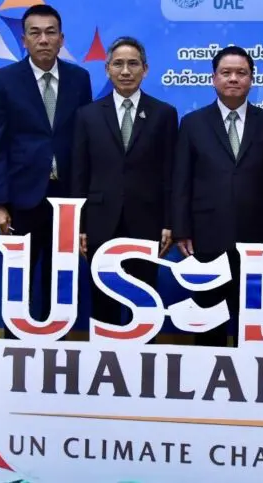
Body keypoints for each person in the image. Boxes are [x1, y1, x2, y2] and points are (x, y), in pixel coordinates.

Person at [172, 45, 263, 347]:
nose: (234, 78)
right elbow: (182, 181)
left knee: (251, 321)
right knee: (208, 319)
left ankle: (249, 372)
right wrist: (182, 229)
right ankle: (207, 372)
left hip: (256, 238)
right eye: (226, 73)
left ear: (252, 78)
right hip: (206, 236)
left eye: (241, 73)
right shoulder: (193, 123)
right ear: (214, 78)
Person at [0, 4, 92, 323]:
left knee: (60, 282)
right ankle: (16, 349)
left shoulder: (79, 79)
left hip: (67, 200)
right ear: (24, 40)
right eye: (35, 33)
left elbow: (85, 141)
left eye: (50, 32)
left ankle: (54, 346)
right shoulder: (5, 80)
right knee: (19, 284)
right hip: (22, 199)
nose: (43, 39)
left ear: (61, 39)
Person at [71, 37, 178, 327]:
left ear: (145, 69)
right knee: (102, 302)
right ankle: (105, 355)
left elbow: (171, 173)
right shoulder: (87, 115)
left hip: (147, 221)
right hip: (100, 222)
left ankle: (142, 356)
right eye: (118, 64)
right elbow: (80, 173)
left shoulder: (164, 114)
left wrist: (169, 222)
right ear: (107, 69)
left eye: (133, 64)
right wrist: (79, 226)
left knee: (144, 302)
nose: (126, 71)